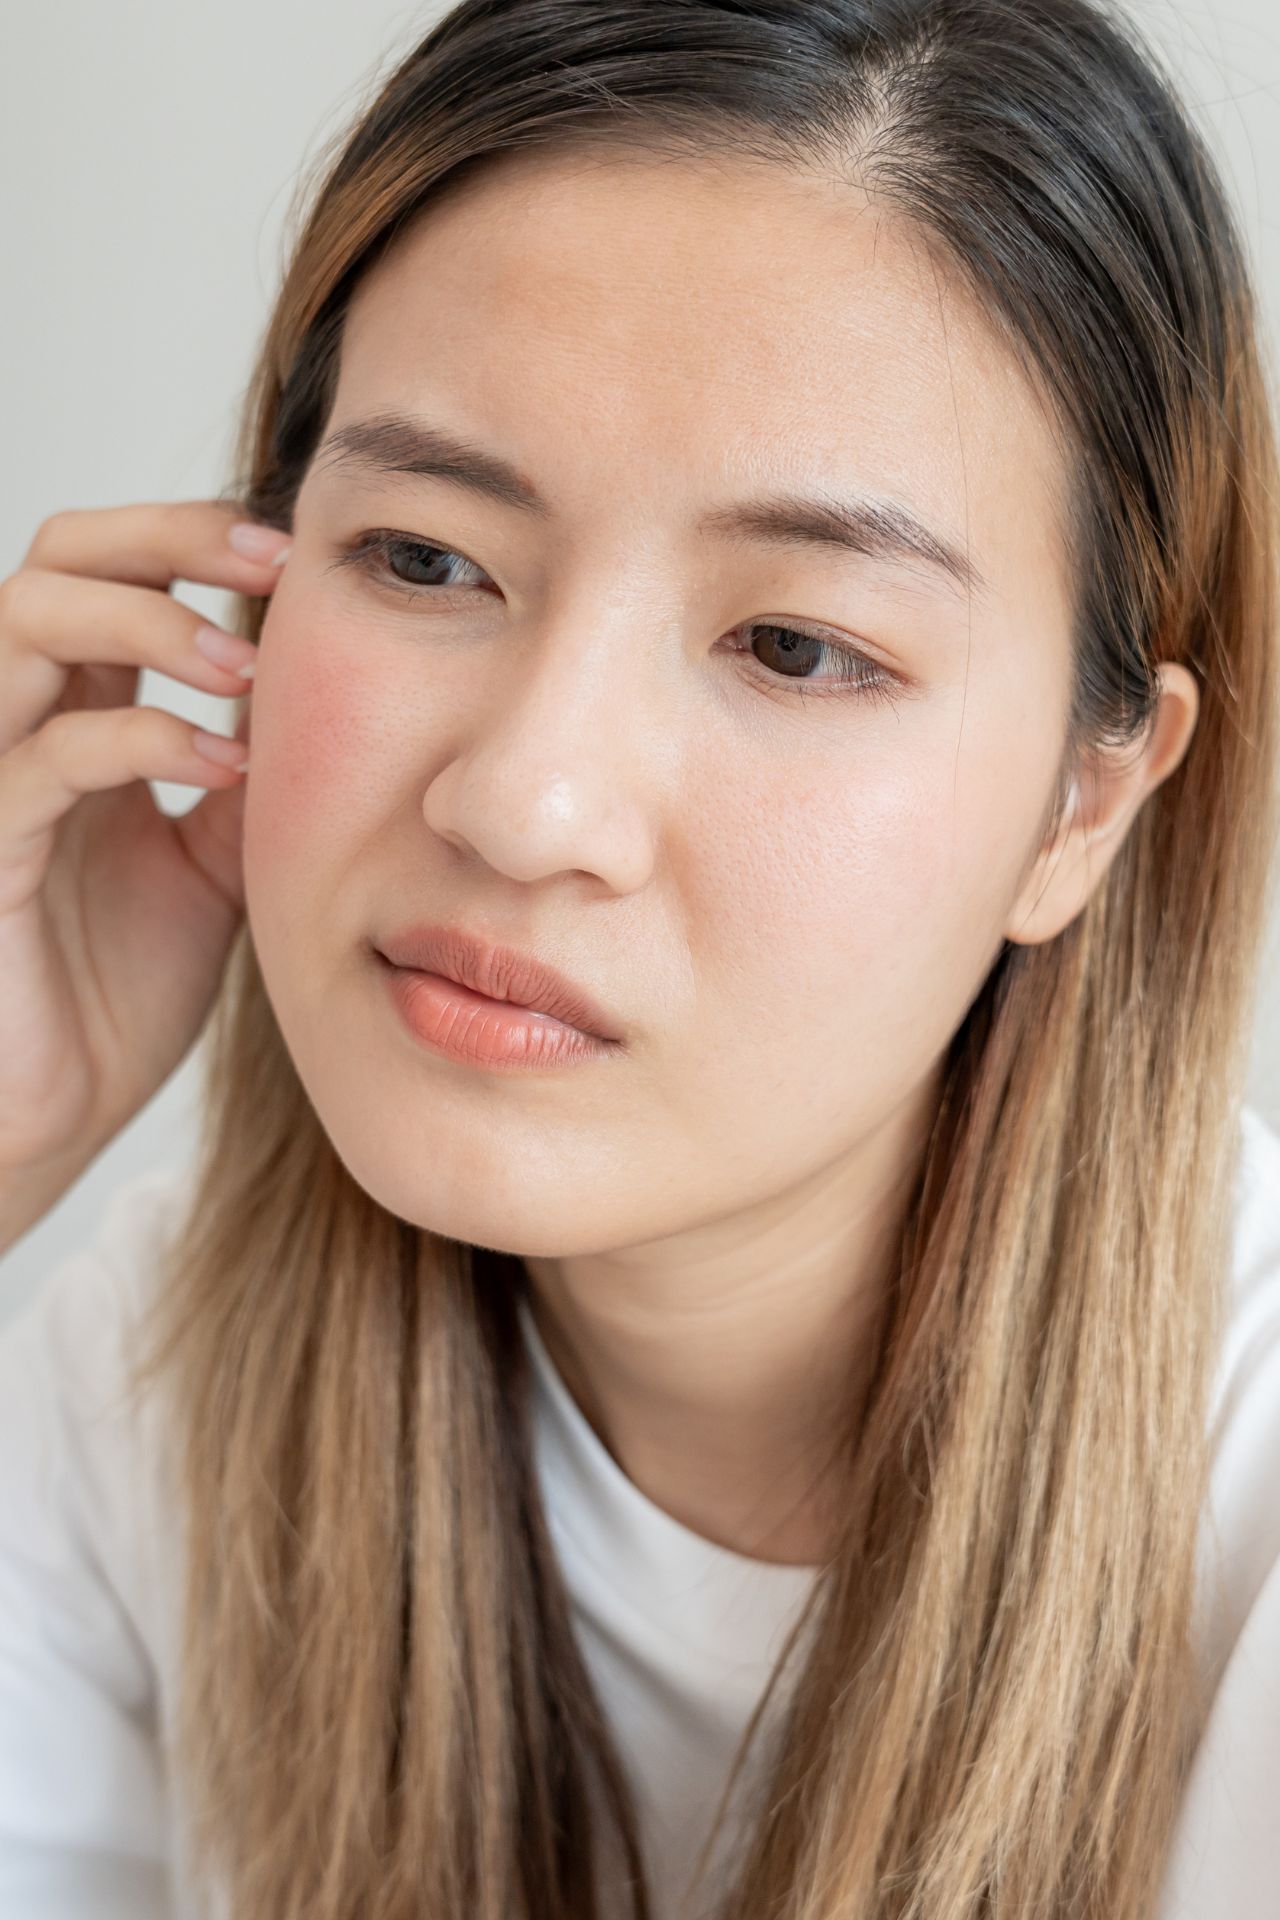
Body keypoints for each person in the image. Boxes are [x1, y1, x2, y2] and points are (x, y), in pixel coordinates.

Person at [1, 0, 1278, 1915]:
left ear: (1082, 806)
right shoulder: (146, 1387)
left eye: (796, 647)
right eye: (428, 559)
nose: (524, 804)